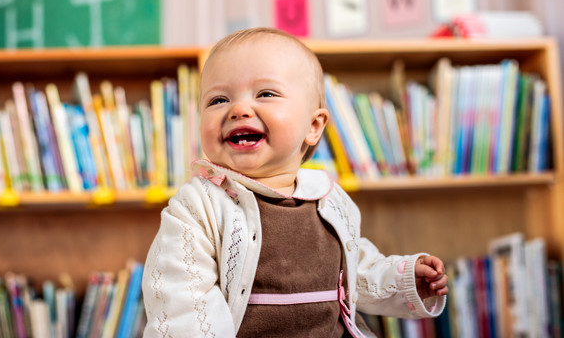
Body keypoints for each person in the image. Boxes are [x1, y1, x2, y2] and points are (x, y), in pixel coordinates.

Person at [141, 27, 448, 337]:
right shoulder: (198, 207)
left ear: (313, 126)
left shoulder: (330, 198)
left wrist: (407, 279)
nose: (239, 109)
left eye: (265, 94)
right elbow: (182, 300)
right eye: (218, 100)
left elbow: (359, 269)